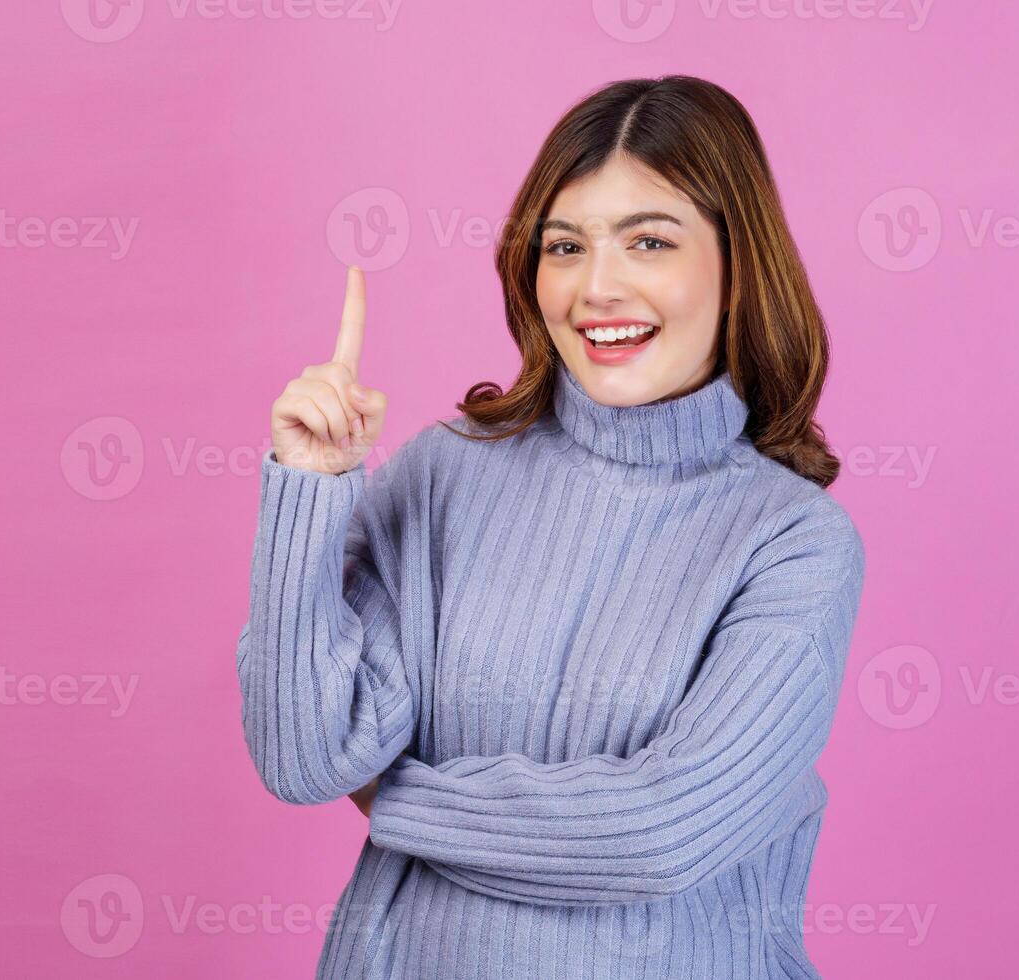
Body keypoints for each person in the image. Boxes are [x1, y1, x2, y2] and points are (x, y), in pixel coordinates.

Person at [236, 74, 867, 979]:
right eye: (564, 245)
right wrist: (309, 486)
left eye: (650, 241)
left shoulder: (792, 542)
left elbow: (660, 831)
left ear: (738, 267)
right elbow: (306, 757)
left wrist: (397, 799)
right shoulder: (443, 473)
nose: (597, 287)